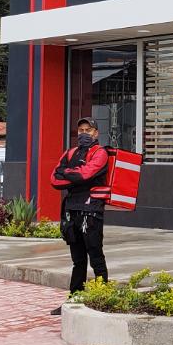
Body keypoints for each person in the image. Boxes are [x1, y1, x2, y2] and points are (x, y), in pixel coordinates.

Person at [48, 116, 110, 316]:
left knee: (95, 256)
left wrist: (68, 173)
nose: (84, 133)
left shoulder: (100, 153)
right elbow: (54, 179)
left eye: (88, 130)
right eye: (81, 130)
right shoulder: (70, 153)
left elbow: (86, 174)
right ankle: (74, 299)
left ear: (96, 133)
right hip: (71, 212)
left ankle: (104, 298)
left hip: (91, 211)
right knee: (78, 260)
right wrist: (75, 175)